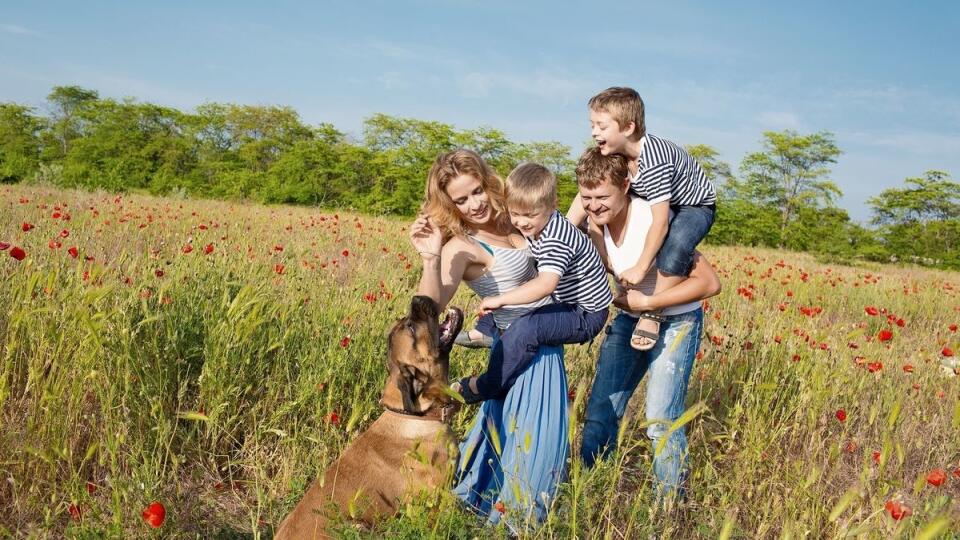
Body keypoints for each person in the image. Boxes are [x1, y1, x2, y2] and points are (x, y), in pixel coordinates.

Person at [408, 149, 568, 532]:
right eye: (460, 200)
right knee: (532, 446)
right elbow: (430, 308)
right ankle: (515, 526)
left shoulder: (517, 213)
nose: (474, 204)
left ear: (486, 180)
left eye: (476, 191)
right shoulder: (461, 246)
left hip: (547, 346)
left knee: (524, 441)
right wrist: (430, 260)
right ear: (448, 204)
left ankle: (500, 520)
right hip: (517, 351)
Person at [574, 147, 721, 502]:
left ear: (626, 186)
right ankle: (591, 495)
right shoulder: (596, 225)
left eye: (603, 196)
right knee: (599, 414)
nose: (594, 205)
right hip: (629, 320)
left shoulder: (652, 220)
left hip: (676, 322)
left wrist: (649, 303)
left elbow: (710, 283)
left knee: (660, 421)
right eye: (587, 197)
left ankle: (669, 509)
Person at [567, 87, 717, 352]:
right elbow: (589, 193)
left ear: (628, 127)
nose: (594, 133)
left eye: (601, 126)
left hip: (694, 205)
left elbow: (659, 222)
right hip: (663, 200)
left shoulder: (654, 161)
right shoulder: (619, 156)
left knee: (676, 242)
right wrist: (567, 227)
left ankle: (654, 311)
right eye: (592, 125)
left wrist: (640, 267)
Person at [453, 163, 612, 404]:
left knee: (527, 328)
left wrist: (500, 299)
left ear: (553, 205)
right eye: (515, 214)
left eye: (530, 215)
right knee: (517, 299)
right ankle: (485, 331)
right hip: (566, 301)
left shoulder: (555, 239)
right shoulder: (544, 221)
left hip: (585, 313)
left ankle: (486, 386)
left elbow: (546, 284)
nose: (521, 222)